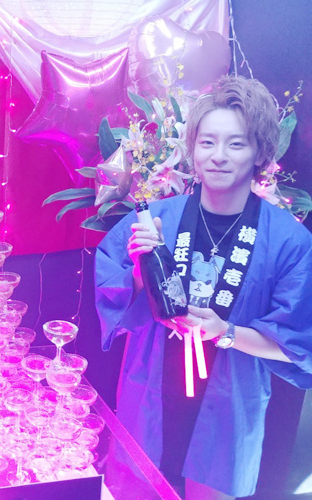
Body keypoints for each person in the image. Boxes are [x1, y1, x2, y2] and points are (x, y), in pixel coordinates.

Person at [95, 75, 312, 499]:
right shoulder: (155, 219)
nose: (218, 156)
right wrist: (140, 270)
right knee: (137, 485)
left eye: (236, 144)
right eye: (207, 142)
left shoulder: (288, 239)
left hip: (228, 408)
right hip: (149, 392)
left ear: (260, 153)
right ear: (192, 149)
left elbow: (298, 340)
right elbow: (112, 291)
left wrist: (226, 333)